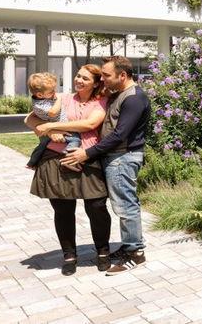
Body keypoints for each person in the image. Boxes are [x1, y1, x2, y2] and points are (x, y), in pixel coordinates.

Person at [63, 55, 149, 274]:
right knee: (123, 204)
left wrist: (87, 153)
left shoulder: (134, 98)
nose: (103, 79)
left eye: (107, 75)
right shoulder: (118, 93)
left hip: (123, 158)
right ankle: (129, 246)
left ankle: (135, 253)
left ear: (122, 75)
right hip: (114, 158)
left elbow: (120, 135)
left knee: (125, 206)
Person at [28, 65, 112, 276]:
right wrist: (48, 131)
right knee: (63, 210)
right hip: (55, 157)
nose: (79, 80)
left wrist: (51, 127)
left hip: (87, 156)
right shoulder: (62, 98)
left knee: (97, 206)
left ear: (96, 83)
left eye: (85, 78)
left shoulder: (101, 101)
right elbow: (29, 119)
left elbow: (89, 124)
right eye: (78, 76)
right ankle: (69, 256)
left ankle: (103, 251)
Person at [24, 72, 78, 169]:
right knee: (75, 139)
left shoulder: (42, 99)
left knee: (42, 145)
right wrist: (59, 99)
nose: (54, 92)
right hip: (53, 129)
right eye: (51, 91)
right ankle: (68, 156)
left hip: (51, 129)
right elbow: (53, 112)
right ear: (40, 94)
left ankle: (31, 163)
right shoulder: (40, 104)